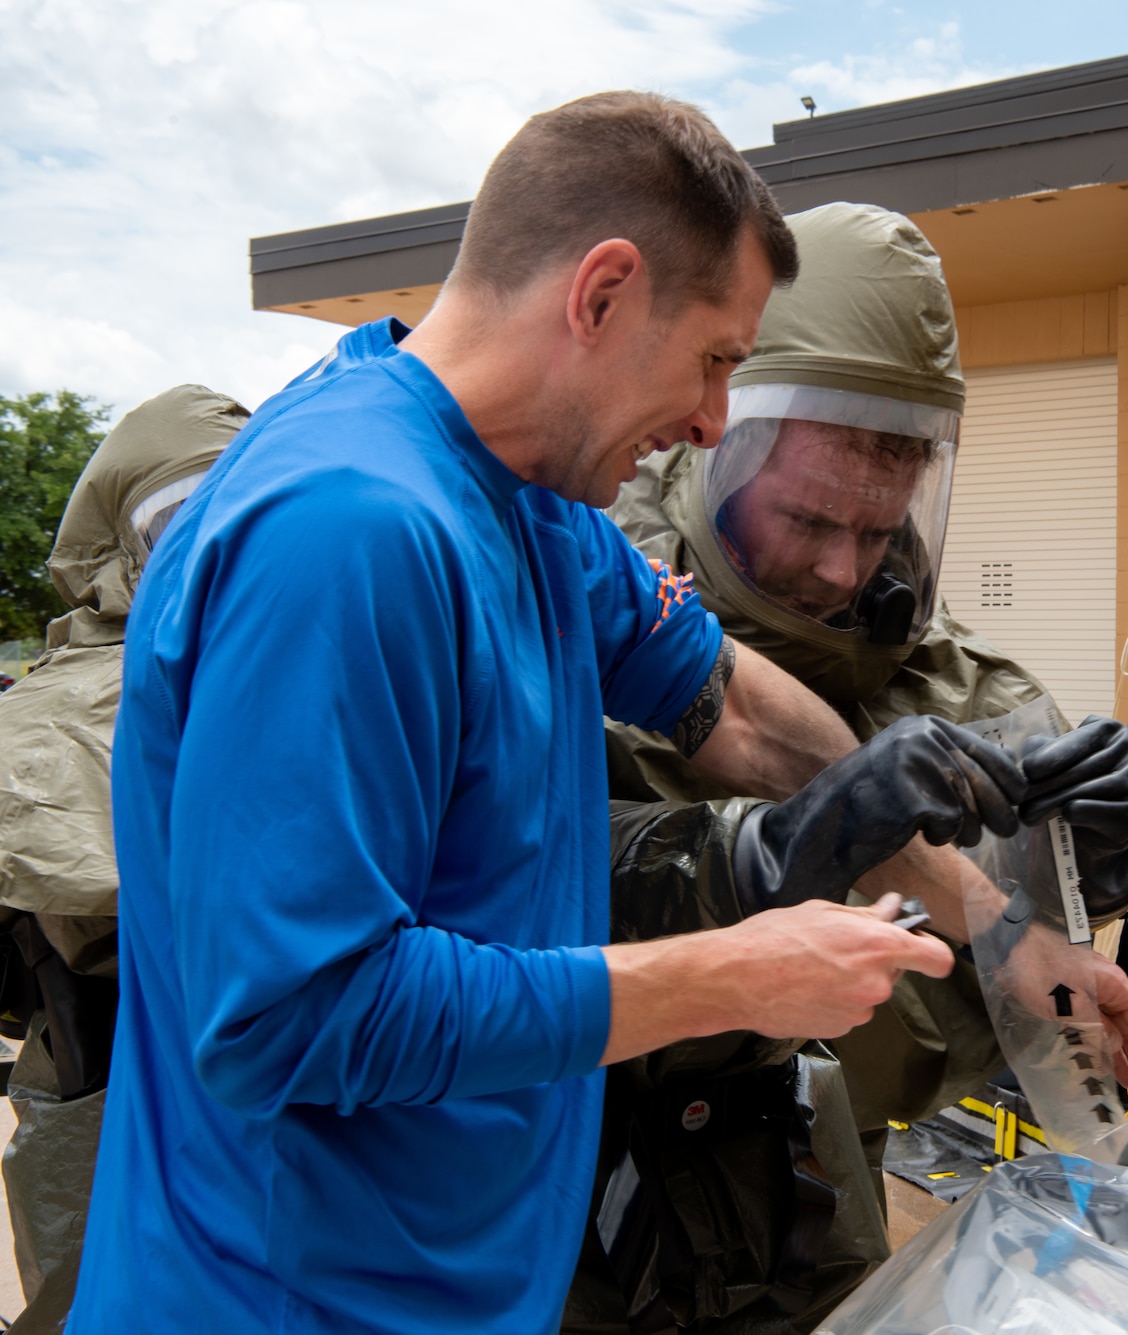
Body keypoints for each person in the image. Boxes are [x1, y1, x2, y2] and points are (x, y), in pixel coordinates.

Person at [68, 93, 1044, 1334]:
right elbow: (287, 1019)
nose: (710, 423)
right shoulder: (347, 529)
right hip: (284, 1302)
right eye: (715, 361)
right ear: (602, 293)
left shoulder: (532, 503)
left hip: (457, 1292)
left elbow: (729, 705)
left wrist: (1003, 931)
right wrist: (728, 977)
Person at [570, 201, 1128, 1332]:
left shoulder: (968, 698)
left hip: (800, 1237)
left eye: (879, 526)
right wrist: (770, 865)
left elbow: (971, 1054)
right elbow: (519, 993)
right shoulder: (581, 628)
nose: (842, 570)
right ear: (717, 441)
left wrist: (1070, 882)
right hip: (556, 1250)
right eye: (806, 519)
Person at [0, 386, 244, 1333]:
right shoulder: (53, 712)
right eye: (178, 522)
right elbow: (98, 894)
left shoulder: (300, 655)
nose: (210, 548)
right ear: (114, 545)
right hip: (108, 1094)